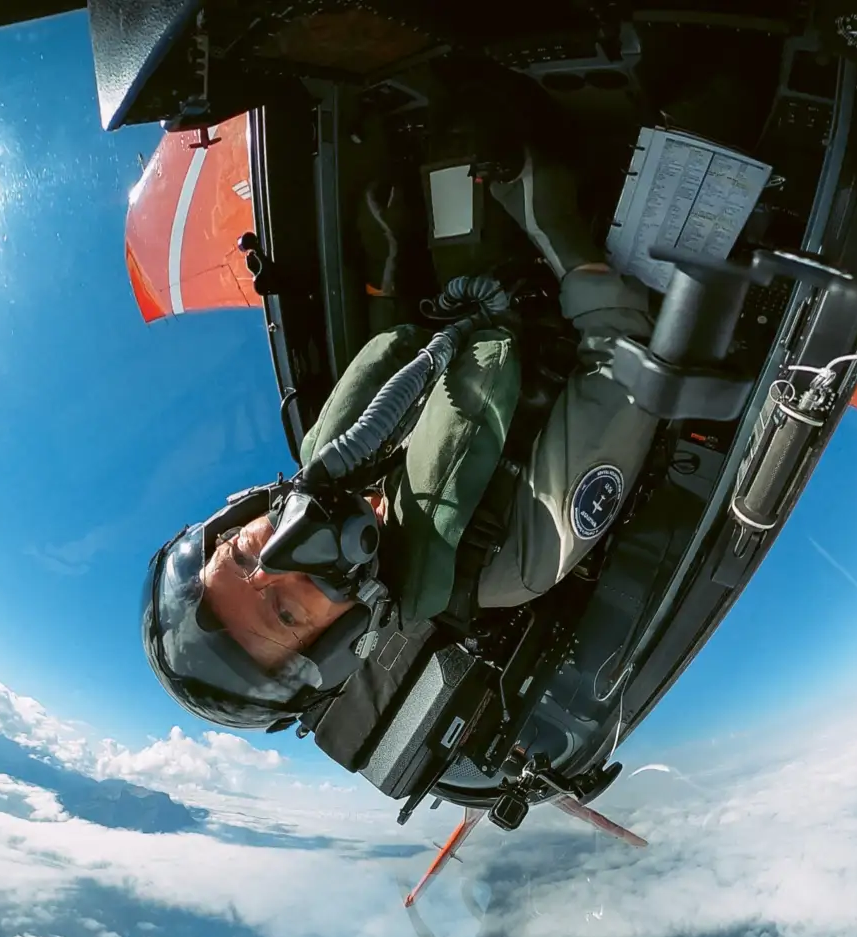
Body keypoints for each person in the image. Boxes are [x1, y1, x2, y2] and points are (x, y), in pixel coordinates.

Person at [141, 147, 660, 731]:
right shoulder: (506, 562)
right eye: (284, 611)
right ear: (341, 639)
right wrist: (552, 225)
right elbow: (629, 360)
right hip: (601, 274)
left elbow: (400, 352)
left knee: (457, 152)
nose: (275, 557)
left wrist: (386, 259)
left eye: (241, 554)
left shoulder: (334, 448)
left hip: (498, 286)